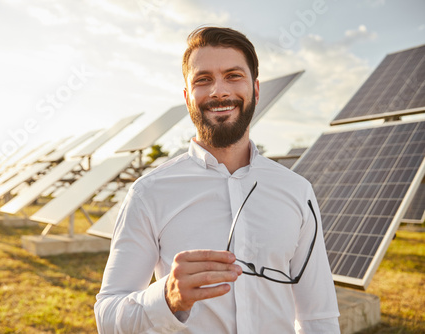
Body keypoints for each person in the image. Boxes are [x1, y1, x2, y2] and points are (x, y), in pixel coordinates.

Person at [95, 26, 340, 333]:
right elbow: (107, 316)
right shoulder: (148, 193)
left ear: (256, 89)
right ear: (187, 97)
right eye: (203, 79)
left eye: (233, 75)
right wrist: (168, 299)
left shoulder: (296, 191)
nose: (219, 91)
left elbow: (319, 318)